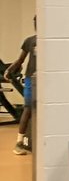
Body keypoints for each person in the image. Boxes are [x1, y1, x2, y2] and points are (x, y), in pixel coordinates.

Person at [5, 16, 36, 155]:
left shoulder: (51, 41)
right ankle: (19, 142)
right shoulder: (30, 41)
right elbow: (20, 60)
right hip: (31, 79)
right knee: (28, 108)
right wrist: (9, 70)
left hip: (47, 80)